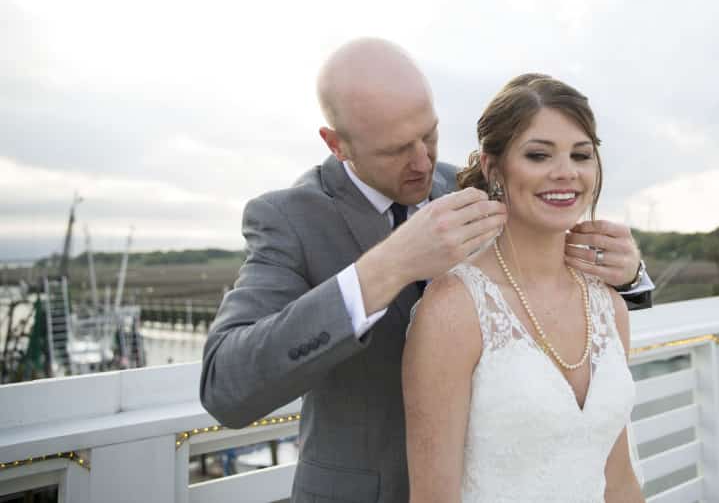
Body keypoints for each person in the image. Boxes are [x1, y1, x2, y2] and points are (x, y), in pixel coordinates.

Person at [199, 38, 652, 503]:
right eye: (396, 149)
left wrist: (632, 277)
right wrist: (388, 266)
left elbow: (546, 284)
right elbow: (225, 387)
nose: (422, 162)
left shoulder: (467, 188)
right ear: (337, 144)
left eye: (429, 135)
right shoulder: (290, 221)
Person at [403, 74, 644, 502]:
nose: (566, 173)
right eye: (538, 155)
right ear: (494, 168)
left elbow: (619, 479)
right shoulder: (453, 309)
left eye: (581, 154)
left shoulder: (610, 307)